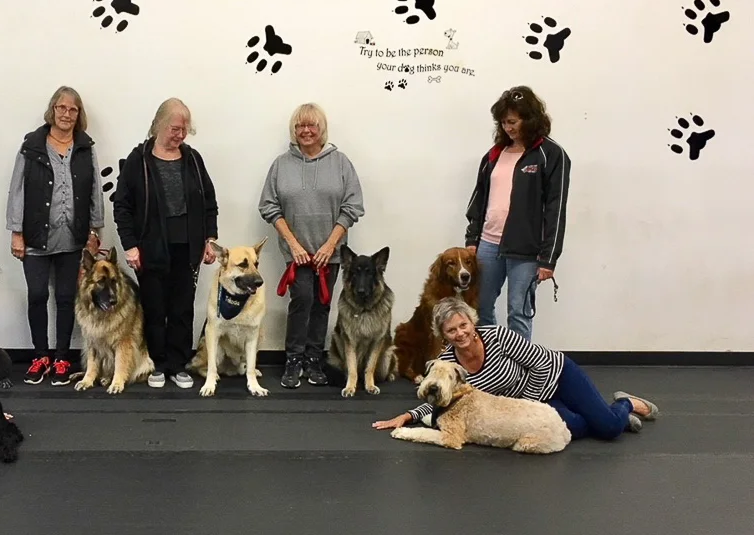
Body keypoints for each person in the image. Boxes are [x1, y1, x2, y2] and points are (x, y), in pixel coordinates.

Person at [371, 297, 659, 441]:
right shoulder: (447, 364)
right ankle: (606, 415)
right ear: (442, 335)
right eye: (451, 330)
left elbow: (540, 363)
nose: (460, 333)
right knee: (575, 429)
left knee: (608, 429)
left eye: (463, 325)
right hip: (536, 404)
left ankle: (624, 404)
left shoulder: (497, 336)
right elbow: (440, 399)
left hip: (558, 375)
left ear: (472, 322)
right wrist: (407, 416)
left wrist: (528, 403)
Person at [111, 98, 219, 389]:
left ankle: (178, 364)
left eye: (185, 130)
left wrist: (210, 239)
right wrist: (130, 245)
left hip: (187, 247)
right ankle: (156, 363)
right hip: (150, 248)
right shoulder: (138, 160)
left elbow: (209, 202)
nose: (180, 135)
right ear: (158, 125)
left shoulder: (193, 159)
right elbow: (122, 206)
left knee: (182, 309)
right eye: (175, 129)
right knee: (154, 308)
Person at [258, 102, 365, 389]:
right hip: (297, 253)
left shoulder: (341, 163)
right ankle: (293, 359)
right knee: (301, 300)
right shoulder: (281, 165)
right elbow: (269, 206)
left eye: (311, 125)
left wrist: (330, 246)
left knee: (322, 304)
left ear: (321, 129)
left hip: (329, 253)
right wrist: (293, 245)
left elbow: (352, 206)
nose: (306, 130)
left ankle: (314, 359)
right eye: (300, 126)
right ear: (294, 130)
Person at [6, 86, 104, 386]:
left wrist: (95, 231)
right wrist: (17, 232)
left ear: (79, 114)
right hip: (35, 237)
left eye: (73, 109)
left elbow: (95, 191)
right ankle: (40, 356)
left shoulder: (86, 148)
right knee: (37, 295)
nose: (67, 114)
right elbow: (17, 189)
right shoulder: (32, 146)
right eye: (62, 107)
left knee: (65, 298)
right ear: (52, 110)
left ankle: (61, 357)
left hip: (72, 239)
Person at [463, 85, 572, 341]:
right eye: (503, 123)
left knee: (518, 312)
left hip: (526, 250)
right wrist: (472, 239)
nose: (507, 128)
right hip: (488, 244)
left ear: (530, 119)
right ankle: (491, 359)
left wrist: (548, 259)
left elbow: (556, 210)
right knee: (480, 308)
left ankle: (520, 364)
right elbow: (479, 199)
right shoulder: (494, 154)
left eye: (512, 122)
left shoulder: (551, 155)